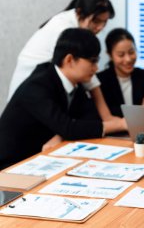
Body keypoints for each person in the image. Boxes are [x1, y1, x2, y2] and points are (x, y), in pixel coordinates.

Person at [0, 28, 127, 170]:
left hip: (42, 160)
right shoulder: (37, 85)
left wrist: (61, 135)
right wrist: (121, 124)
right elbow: (68, 127)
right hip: (11, 166)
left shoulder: (75, 83)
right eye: (92, 61)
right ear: (69, 60)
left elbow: (87, 117)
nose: (96, 68)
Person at [7, 0, 116, 121]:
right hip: (30, 93)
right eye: (96, 21)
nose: (100, 28)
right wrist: (107, 117)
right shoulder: (64, 30)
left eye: (104, 22)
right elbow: (89, 78)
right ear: (80, 12)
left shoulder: (71, 22)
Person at [97, 28, 144, 117]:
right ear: (110, 55)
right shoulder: (101, 80)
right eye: (121, 55)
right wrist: (142, 109)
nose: (128, 59)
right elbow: (108, 114)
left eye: (131, 52)